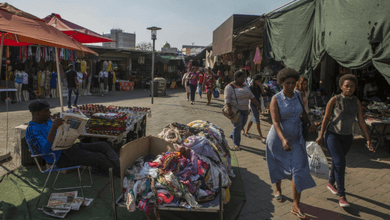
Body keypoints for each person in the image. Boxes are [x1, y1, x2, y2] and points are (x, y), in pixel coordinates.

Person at [316, 74, 373, 208]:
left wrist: (368, 139)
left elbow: (361, 121)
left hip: (347, 137)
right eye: (346, 86)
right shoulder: (334, 100)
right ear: (341, 86)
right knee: (340, 163)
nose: (349, 88)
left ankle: (331, 182)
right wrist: (320, 135)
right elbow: (326, 119)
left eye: (352, 86)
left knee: (338, 161)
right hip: (333, 135)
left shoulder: (356, 102)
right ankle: (342, 196)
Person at [266, 68, 316, 219]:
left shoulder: (299, 95)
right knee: (278, 164)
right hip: (278, 138)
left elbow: (303, 114)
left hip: (297, 138)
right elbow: (275, 121)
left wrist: (311, 124)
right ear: (281, 83)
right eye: (287, 83)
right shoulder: (276, 98)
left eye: (293, 83)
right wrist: (282, 139)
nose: (290, 86)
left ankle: (296, 204)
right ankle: (278, 190)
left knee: (298, 169)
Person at [25, 100, 120, 177]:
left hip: (68, 147)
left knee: (103, 146)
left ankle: (121, 166)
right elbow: (44, 150)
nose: (49, 113)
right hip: (58, 158)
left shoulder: (47, 121)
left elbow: (60, 135)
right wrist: (53, 129)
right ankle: (121, 173)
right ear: (37, 114)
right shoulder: (32, 129)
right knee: (98, 157)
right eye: (46, 111)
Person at [224, 71, 261, 151]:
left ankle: (233, 135)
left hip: (245, 110)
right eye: (242, 77)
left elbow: (251, 96)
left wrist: (258, 105)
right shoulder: (229, 87)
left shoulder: (245, 86)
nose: (244, 79)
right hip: (236, 111)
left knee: (241, 125)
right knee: (238, 127)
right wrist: (229, 109)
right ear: (237, 78)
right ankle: (236, 144)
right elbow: (227, 99)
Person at [244, 74, 266, 143]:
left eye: (260, 80)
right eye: (258, 80)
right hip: (254, 105)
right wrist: (257, 105)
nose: (259, 82)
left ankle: (246, 131)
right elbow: (250, 97)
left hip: (258, 104)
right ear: (255, 80)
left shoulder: (259, 87)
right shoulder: (251, 87)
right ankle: (261, 137)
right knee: (257, 120)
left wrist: (261, 86)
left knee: (253, 118)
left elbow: (263, 93)